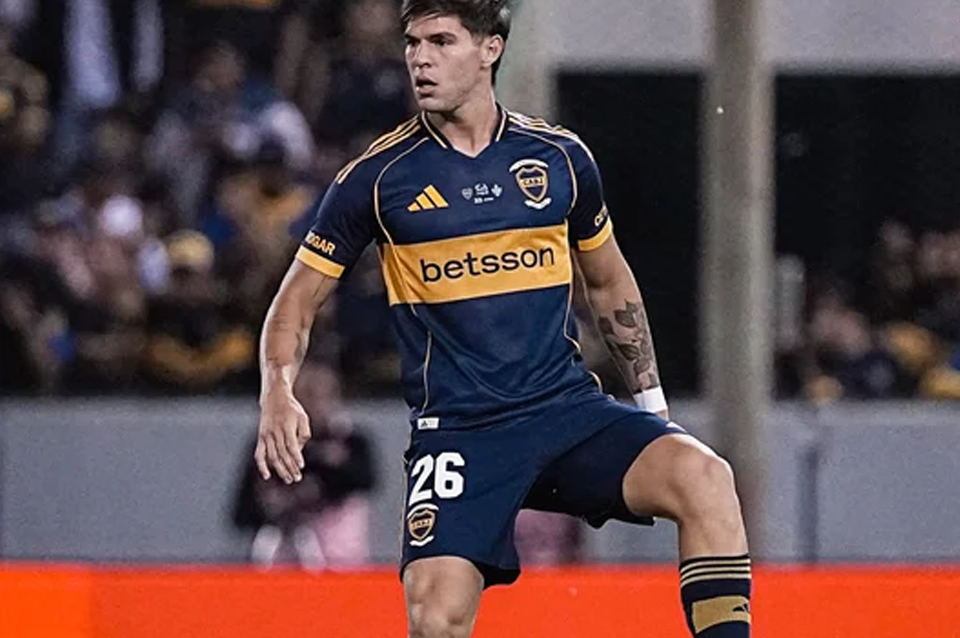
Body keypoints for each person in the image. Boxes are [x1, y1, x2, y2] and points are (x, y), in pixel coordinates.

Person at [256, 1, 752, 637]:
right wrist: (277, 390)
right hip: (460, 432)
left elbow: (608, 282)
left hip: (566, 413)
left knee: (705, 477)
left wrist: (652, 408)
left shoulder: (560, 159)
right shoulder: (376, 179)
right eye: (412, 43)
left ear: (490, 49)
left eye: (441, 42)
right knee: (436, 618)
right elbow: (295, 302)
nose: (419, 59)